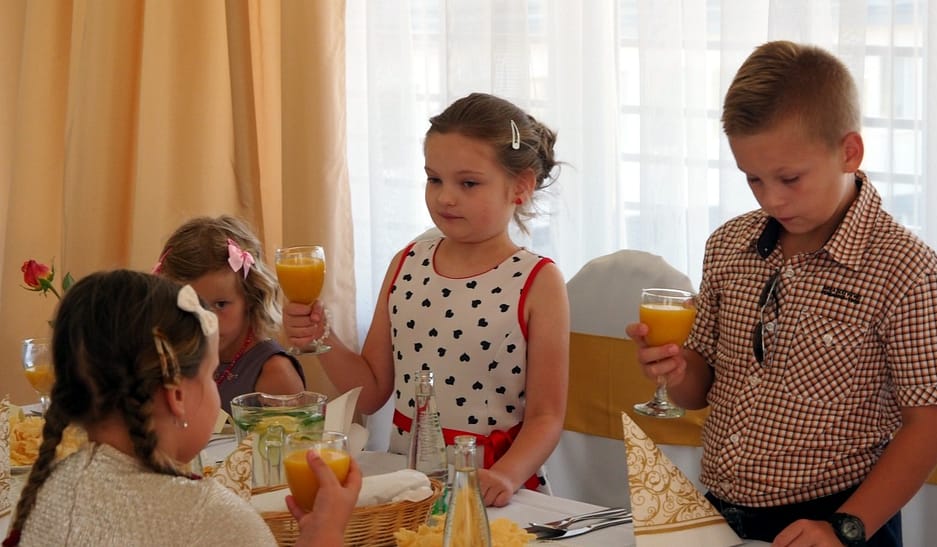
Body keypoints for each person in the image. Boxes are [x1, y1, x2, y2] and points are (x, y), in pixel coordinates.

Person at [626, 40, 937, 546]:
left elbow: (932, 425)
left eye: (790, 178)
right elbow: (697, 392)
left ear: (849, 152)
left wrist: (846, 527)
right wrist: (674, 369)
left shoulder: (904, 267)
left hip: (837, 520)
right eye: (753, 179)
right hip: (722, 513)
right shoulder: (728, 245)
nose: (772, 199)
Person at [283, 92, 570, 507]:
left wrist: (505, 476)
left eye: (467, 183)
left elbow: (546, 416)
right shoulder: (407, 262)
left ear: (521, 186)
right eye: (434, 179)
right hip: (409, 485)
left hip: (491, 489)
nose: (445, 197)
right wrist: (321, 337)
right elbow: (371, 393)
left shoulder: (538, 281)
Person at [2, 270, 361, 547]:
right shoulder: (213, 519)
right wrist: (325, 535)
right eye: (210, 375)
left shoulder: (47, 492)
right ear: (176, 396)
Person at [154, 215, 307, 413]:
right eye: (191, 305)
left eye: (220, 304)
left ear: (250, 297)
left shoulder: (274, 373)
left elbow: (297, 434)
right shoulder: (174, 360)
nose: (207, 320)